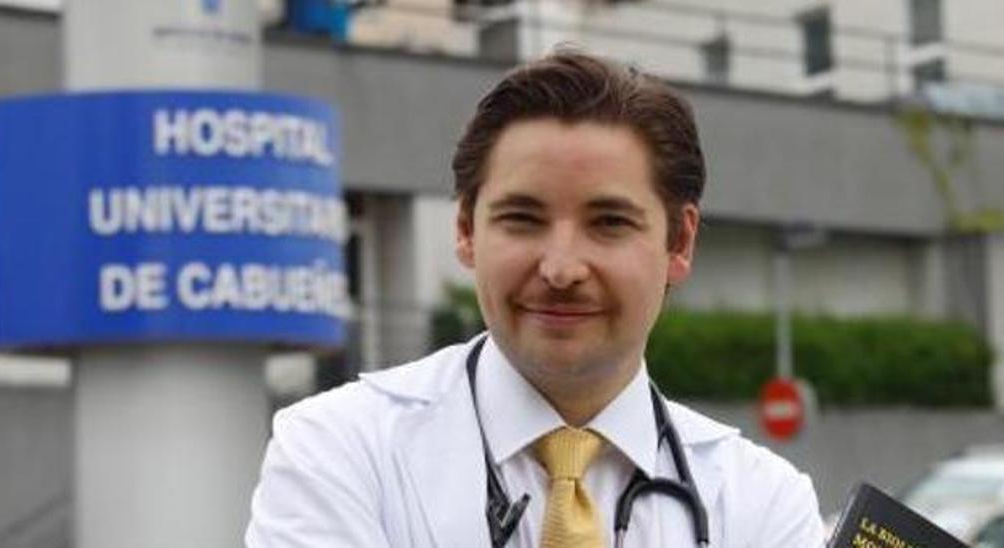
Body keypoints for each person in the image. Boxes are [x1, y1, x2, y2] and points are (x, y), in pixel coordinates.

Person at [245, 49, 825, 547]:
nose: (562, 268)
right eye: (523, 219)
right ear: (467, 230)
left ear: (679, 240)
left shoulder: (762, 503)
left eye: (609, 223)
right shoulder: (340, 449)